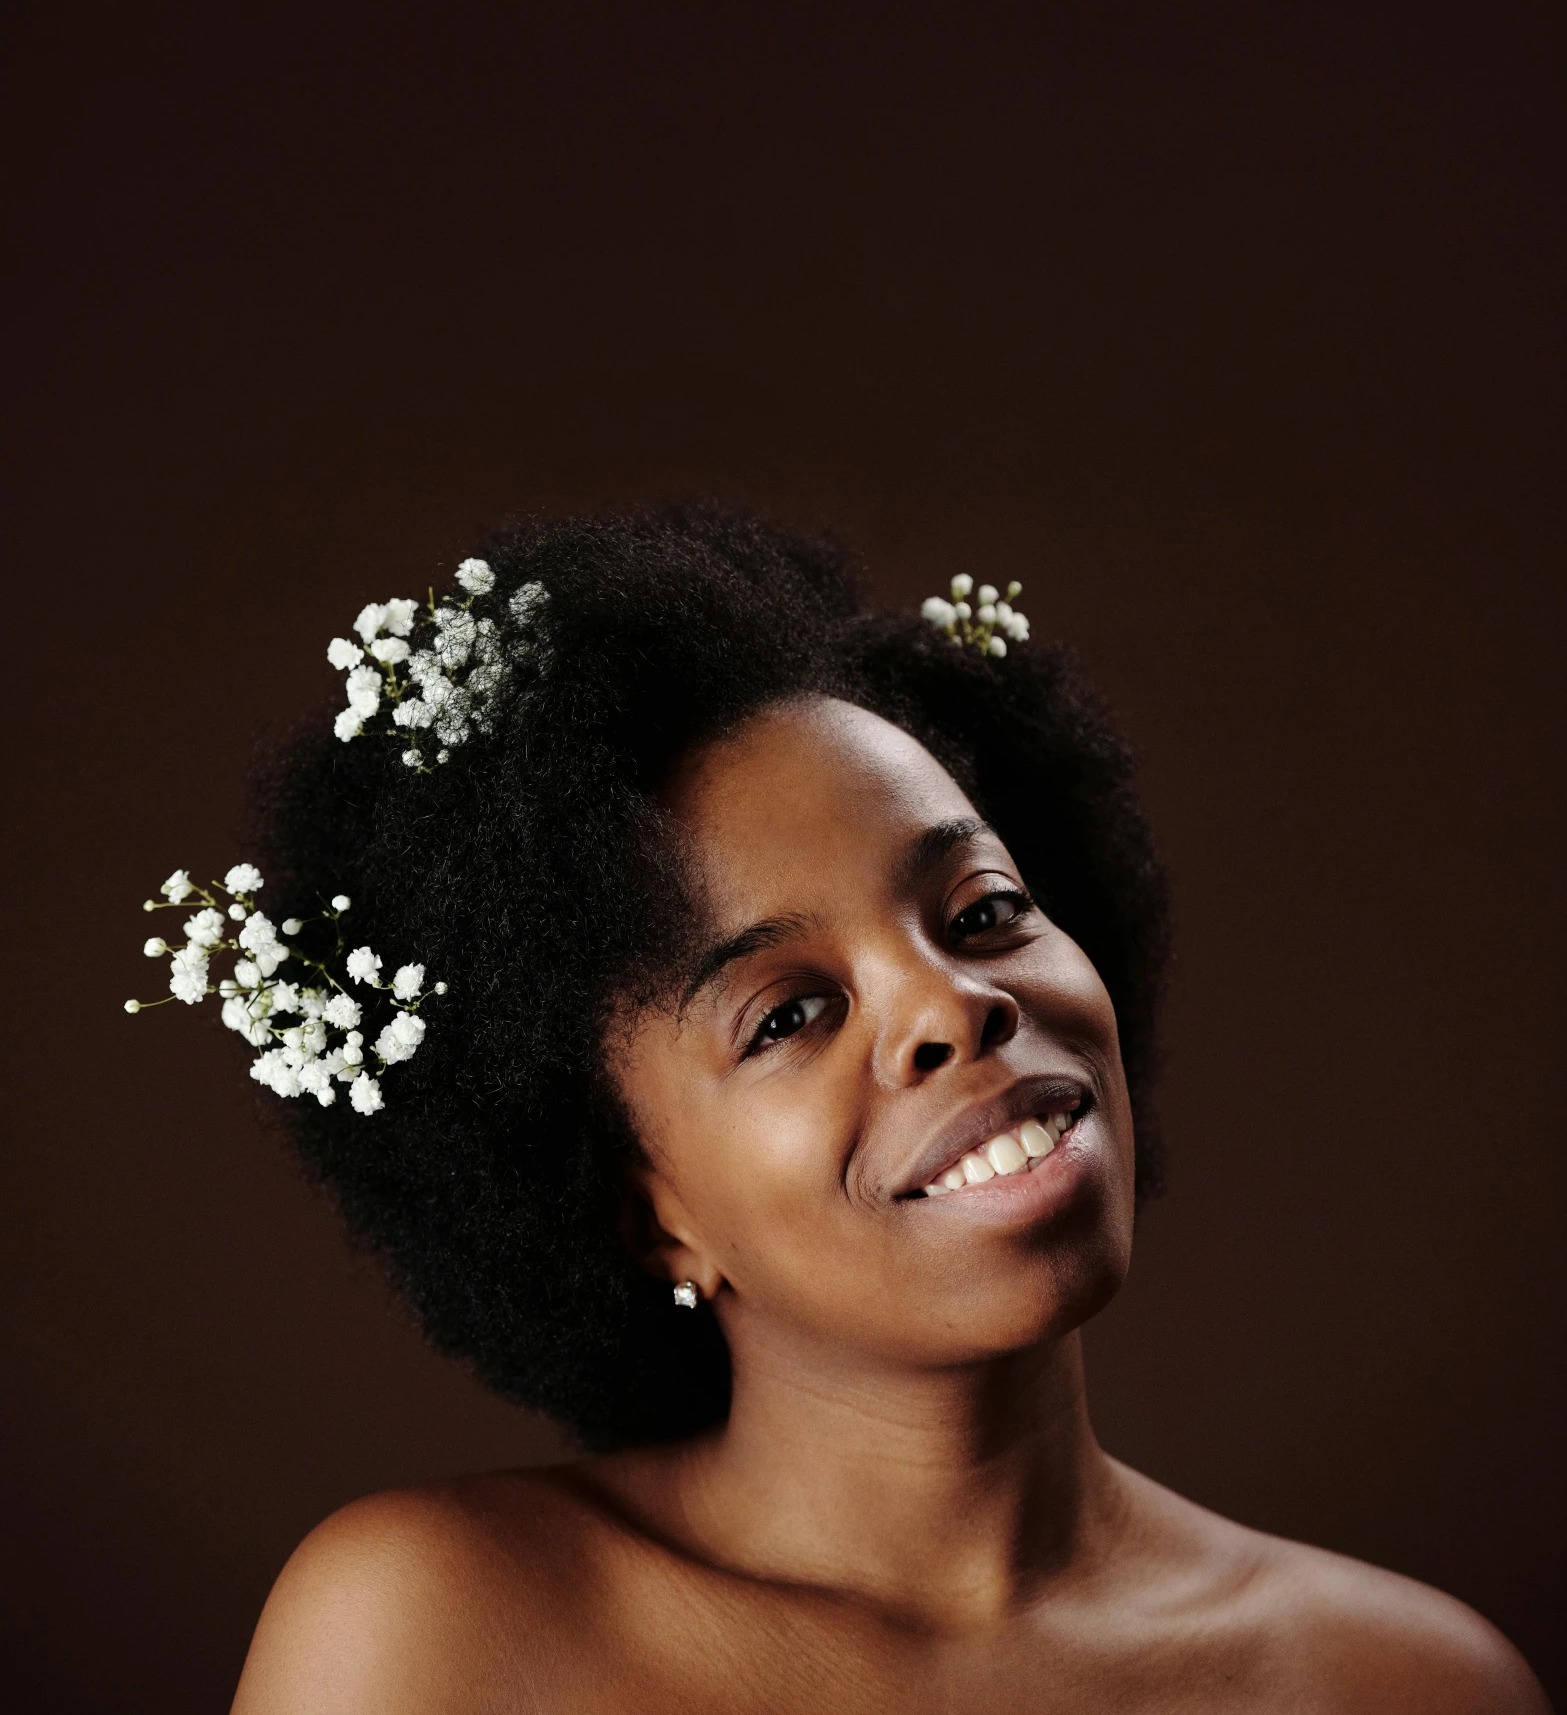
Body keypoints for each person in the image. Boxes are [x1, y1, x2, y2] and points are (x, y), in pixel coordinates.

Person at [151, 505, 1538, 1713]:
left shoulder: (1407, 1682)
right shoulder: (439, 1630)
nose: (951, 1006)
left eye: (983, 910)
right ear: (648, 1214)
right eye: (788, 1013)